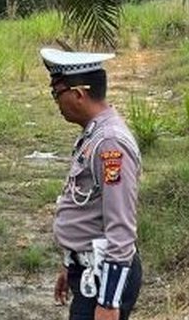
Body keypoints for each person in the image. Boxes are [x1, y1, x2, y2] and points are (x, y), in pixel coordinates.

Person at [45, 48, 143, 320]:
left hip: (103, 279)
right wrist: (70, 263)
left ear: (78, 94)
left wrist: (109, 302)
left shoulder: (109, 143)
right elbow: (87, 209)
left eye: (57, 94)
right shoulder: (94, 134)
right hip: (89, 269)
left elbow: (121, 228)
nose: (56, 102)